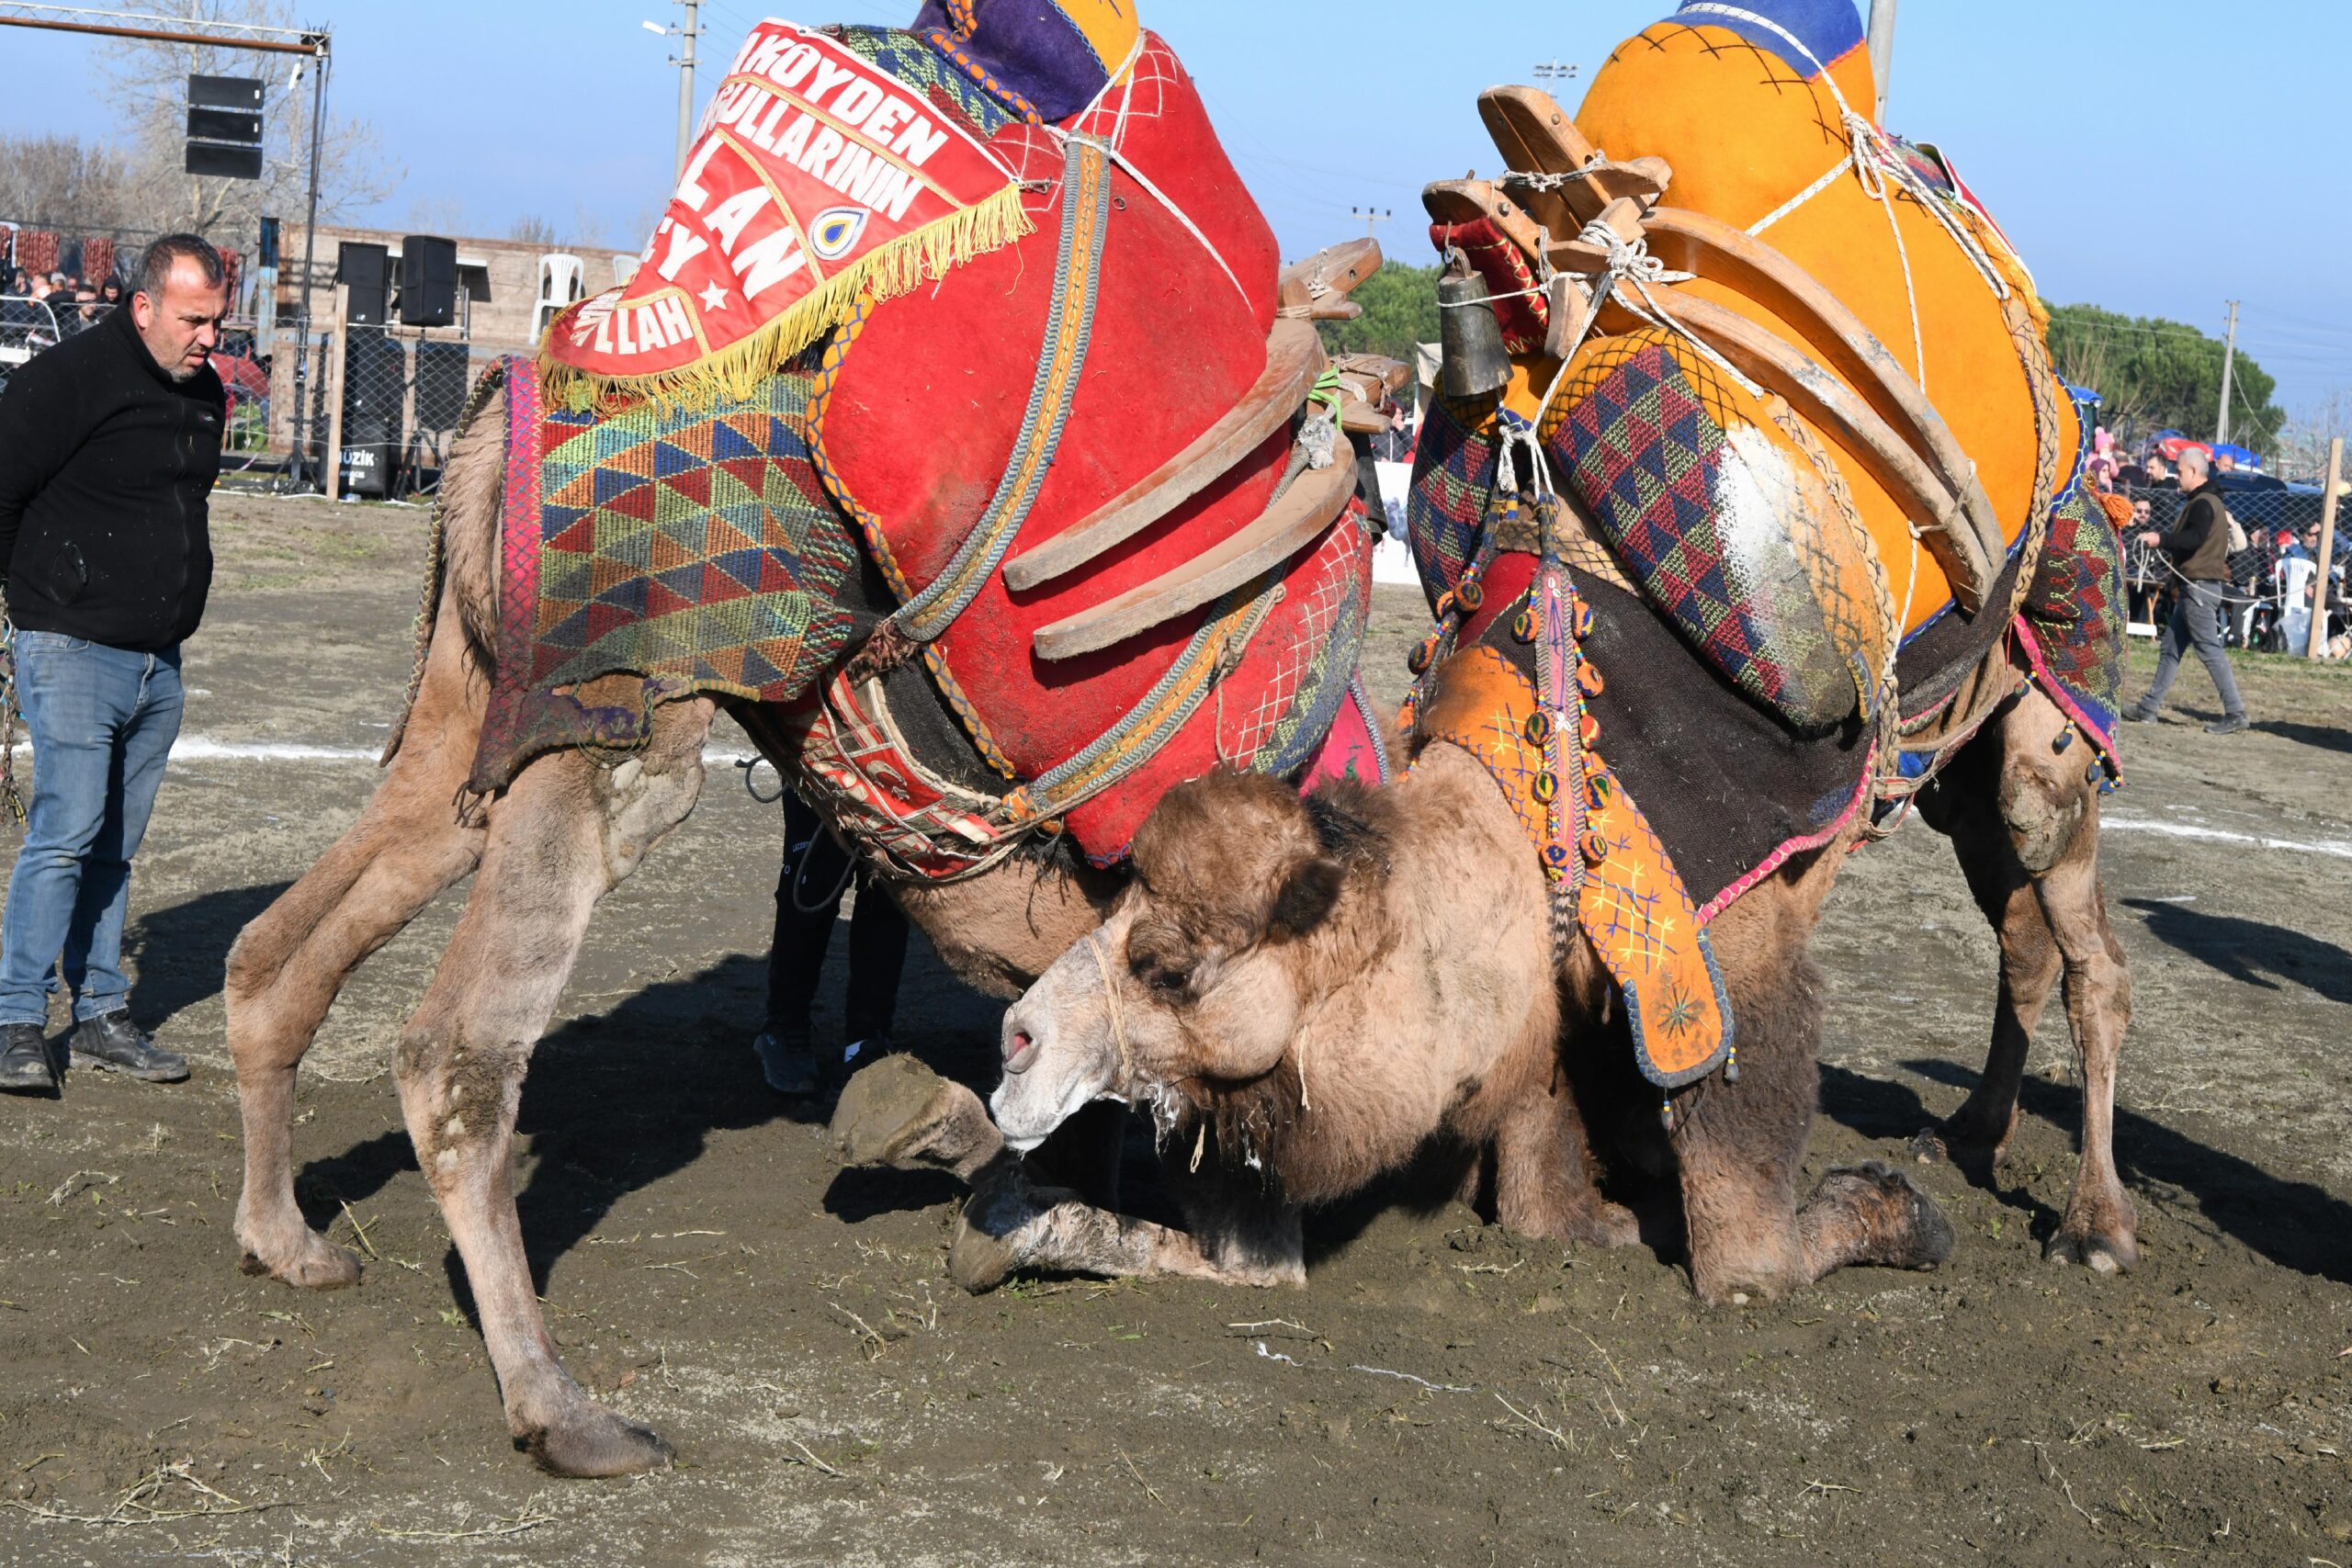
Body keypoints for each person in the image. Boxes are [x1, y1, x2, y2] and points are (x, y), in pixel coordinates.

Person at [0, 234, 230, 1093]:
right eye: (193, 319)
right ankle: (15, 1019)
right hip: (68, 645)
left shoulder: (204, 393)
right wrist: (23, 610)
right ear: (144, 307)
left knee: (116, 850)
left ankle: (98, 1012)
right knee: (62, 834)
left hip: (156, 663)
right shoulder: (69, 379)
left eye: (217, 319)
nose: (210, 337)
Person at [751, 790, 909, 1096]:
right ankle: (784, 1027)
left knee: (889, 880)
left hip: (897, 757)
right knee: (815, 871)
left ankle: (866, 1040)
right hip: (820, 751)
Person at [2123, 447, 2247, 734]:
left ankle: (2236, 711)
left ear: (2194, 471)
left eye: (2179, 472)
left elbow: (2193, 539)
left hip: (2199, 588)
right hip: (2197, 587)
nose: (2175, 476)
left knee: (2209, 649)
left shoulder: (2203, 503)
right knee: (2170, 649)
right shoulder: (2208, 501)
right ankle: (2149, 708)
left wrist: (2161, 539)